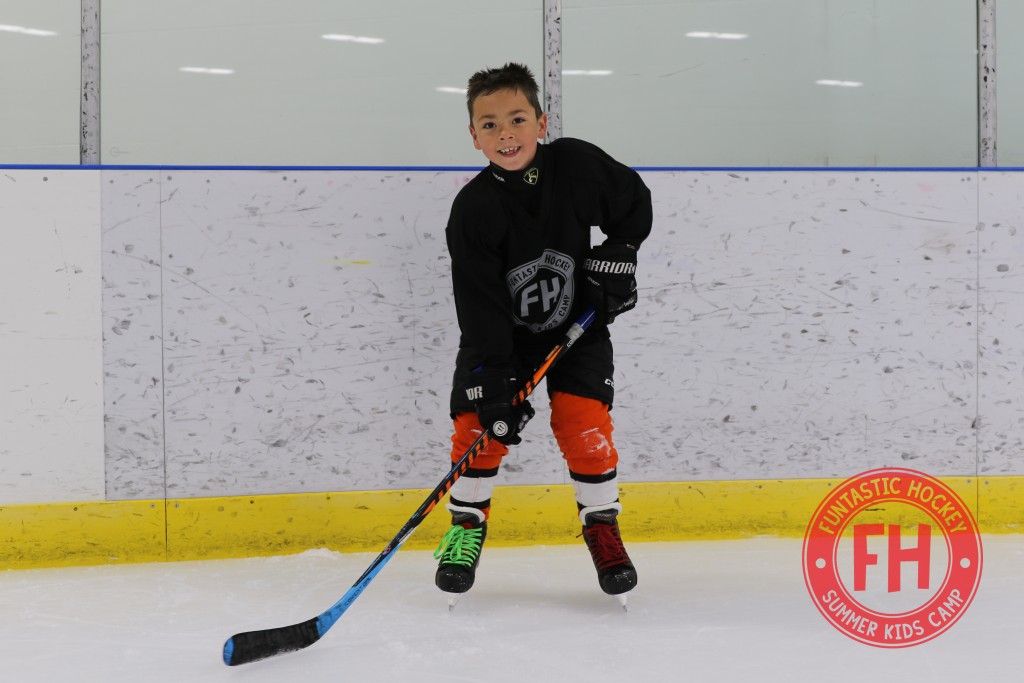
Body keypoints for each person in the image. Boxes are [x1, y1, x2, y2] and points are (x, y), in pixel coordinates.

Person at [434, 62, 653, 602]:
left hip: (578, 324)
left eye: (516, 119)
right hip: (500, 338)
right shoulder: (473, 211)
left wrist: (619, 257)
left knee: (584, 422)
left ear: (541, 121)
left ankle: (602, 525)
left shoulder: (575, 165)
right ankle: (466, 527)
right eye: (489, 124)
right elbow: (480, 310)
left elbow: (633, 203)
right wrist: (493, 385)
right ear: (473, 136)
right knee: (477, 429)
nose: (504, 133)